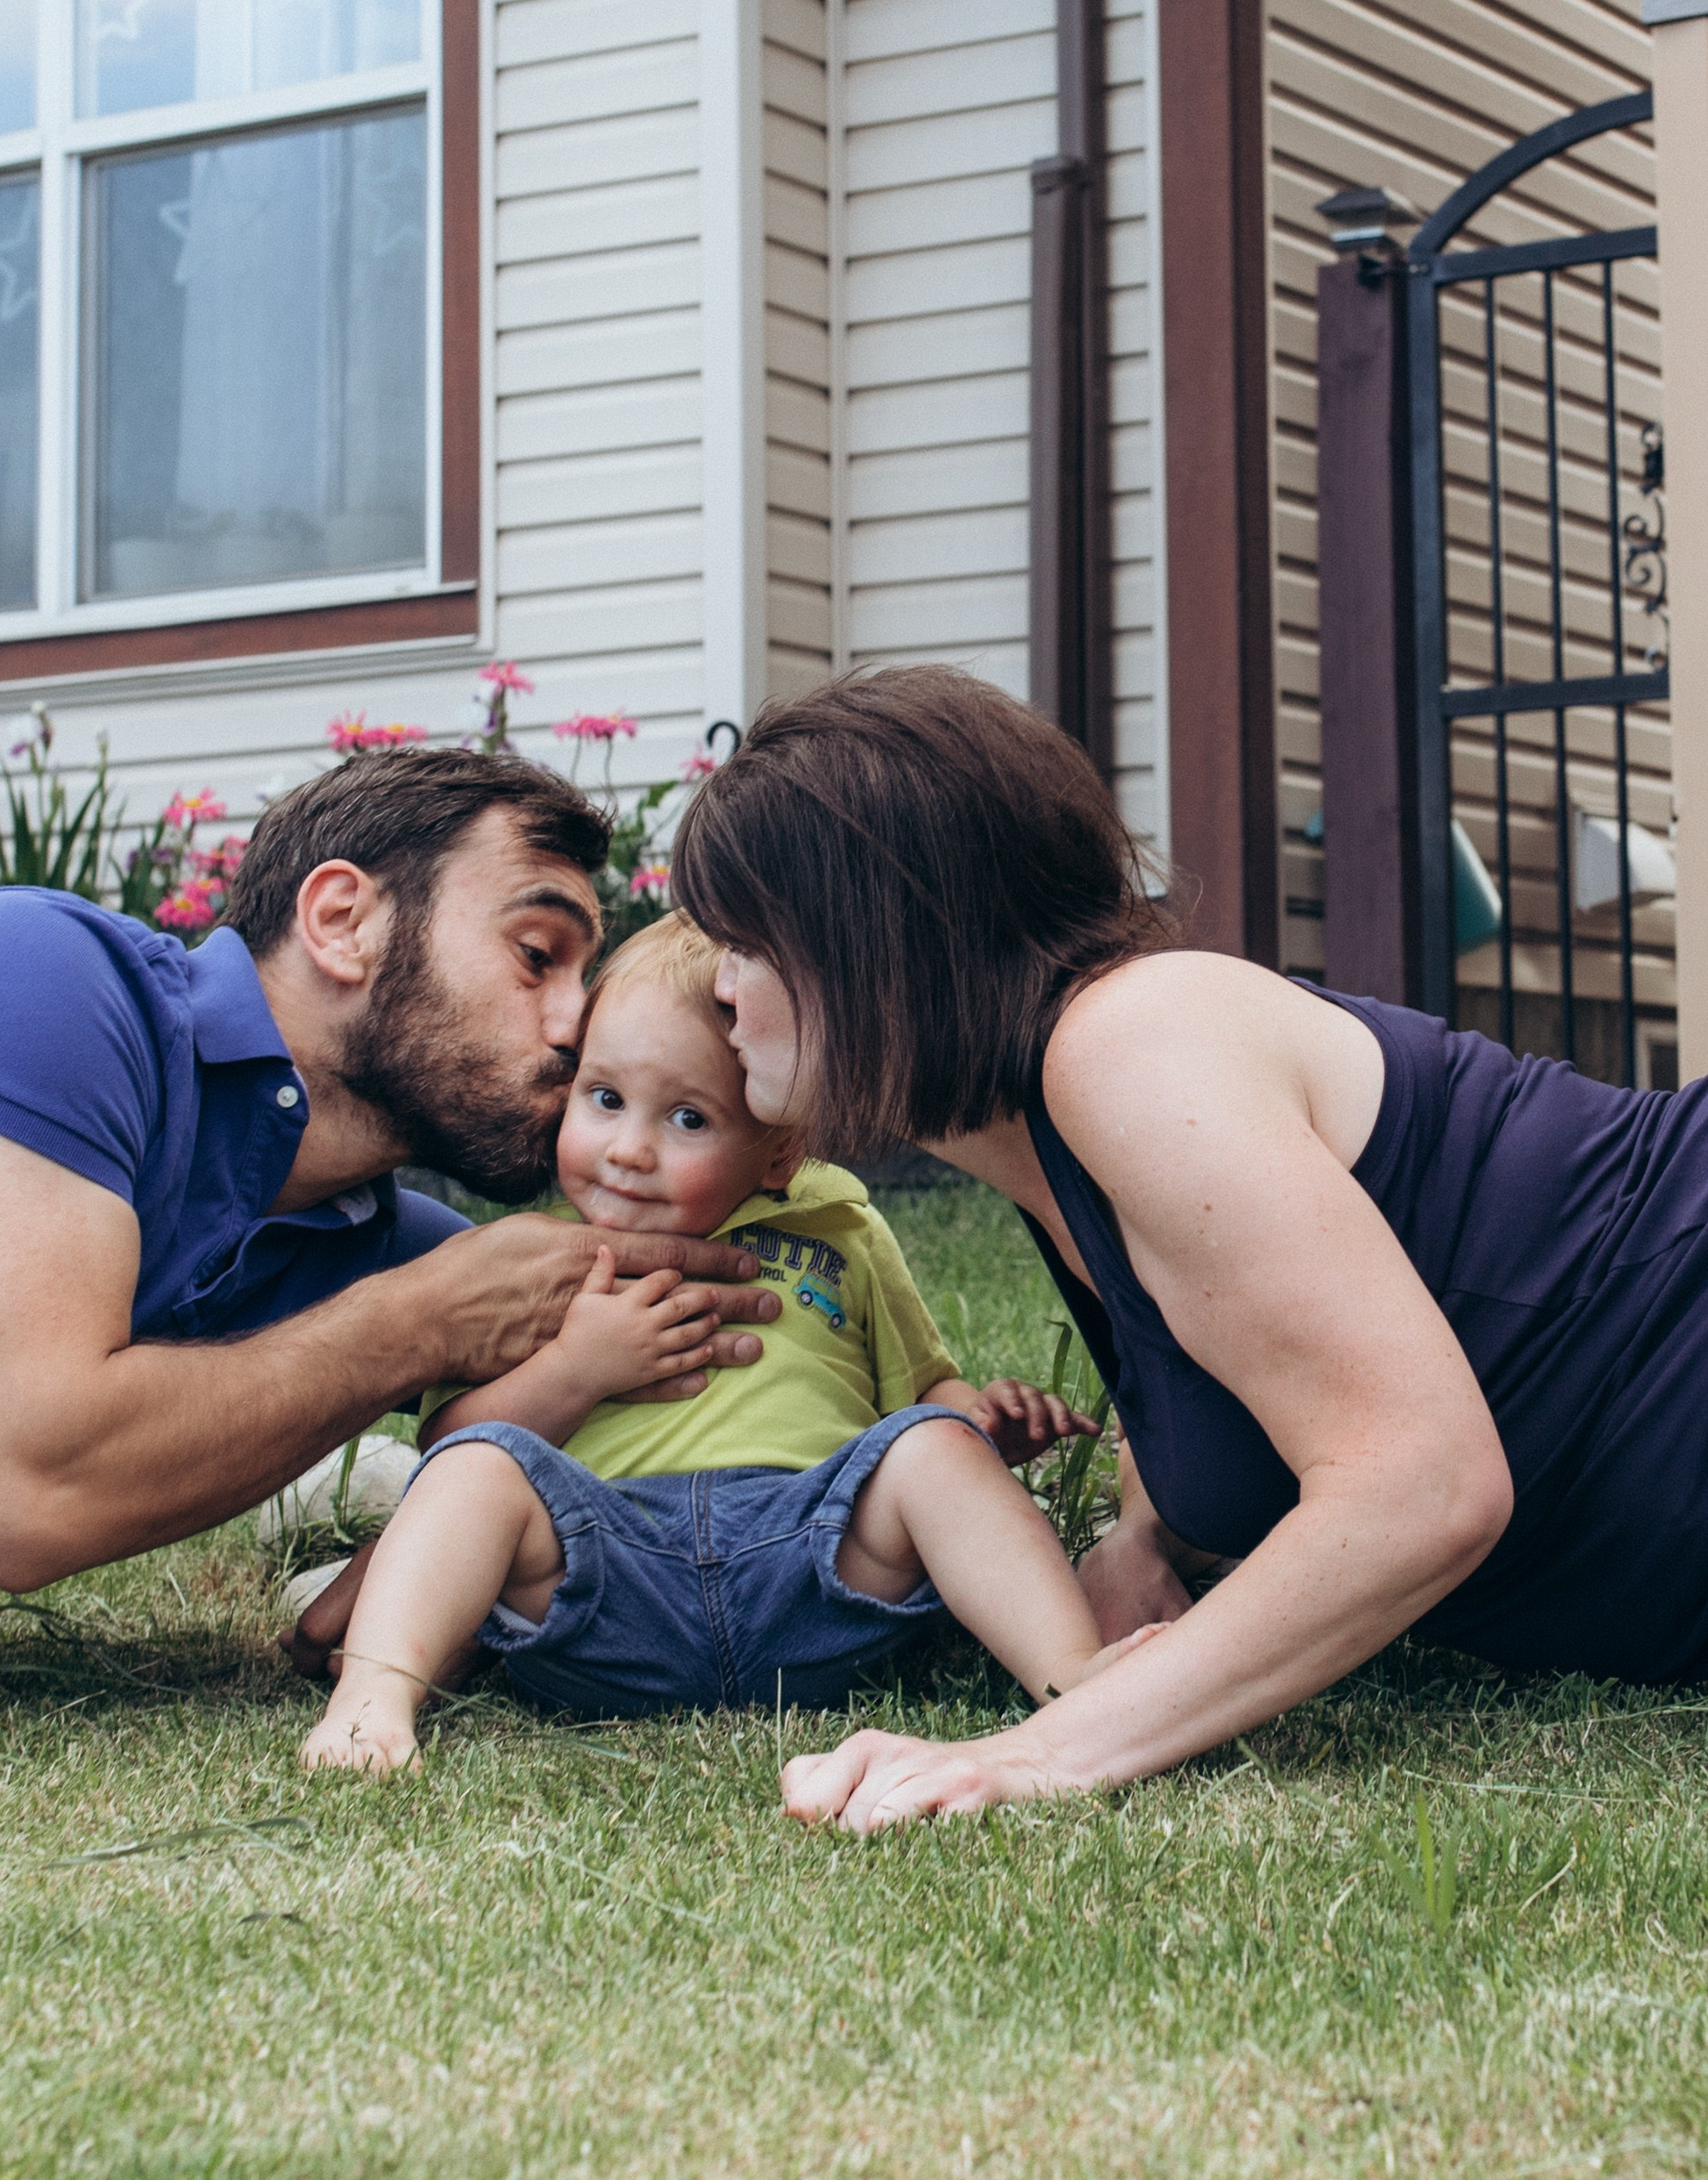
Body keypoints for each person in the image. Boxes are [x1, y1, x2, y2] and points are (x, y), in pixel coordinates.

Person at [662, 664, 1708, 1831]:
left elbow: (1424, 1485)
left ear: (876, 938)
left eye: (742, 937)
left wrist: (1032, 1752)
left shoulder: (1125, 1046)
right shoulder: (1054, 1128)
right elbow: (1241, 1363)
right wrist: (1140, 1528)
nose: (716, 984)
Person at [0, 748, 780, 1720]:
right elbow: (26, 1489)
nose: (571, 1026)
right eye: (534, 954)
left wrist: (926, 1417)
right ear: (341, 921)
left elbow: (666, 1437)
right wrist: (419, 1325)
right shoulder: (36, 979)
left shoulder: (393, 1256)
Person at [297, 915, 1127, 1774]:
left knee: (932, 1450)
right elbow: (449, 1443)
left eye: (687, 1118)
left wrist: (980, 1424)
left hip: (815, 1551)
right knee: (477, 1471)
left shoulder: (839, 1229)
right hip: (600, 1571)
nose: (627, 1151)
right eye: (604, 1099)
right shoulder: (530, 1266)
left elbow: (920, 1395)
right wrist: (575, 1371)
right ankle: (372, 1700)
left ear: (777, 1149)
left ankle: (1077, 1682)